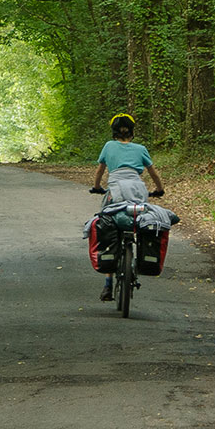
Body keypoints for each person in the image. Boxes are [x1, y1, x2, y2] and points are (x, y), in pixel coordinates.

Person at [88, 114, 164, 300]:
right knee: (139, 221)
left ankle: (108, 284)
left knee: (109, 224)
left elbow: (100, 170)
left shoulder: (109, 146)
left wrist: (97, 187)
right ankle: (139, 258)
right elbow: (153, 172)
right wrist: (159, 189)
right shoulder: (141, 149)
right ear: (132, 131)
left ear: (114, 131)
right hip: (138, 191)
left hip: (116, 190)